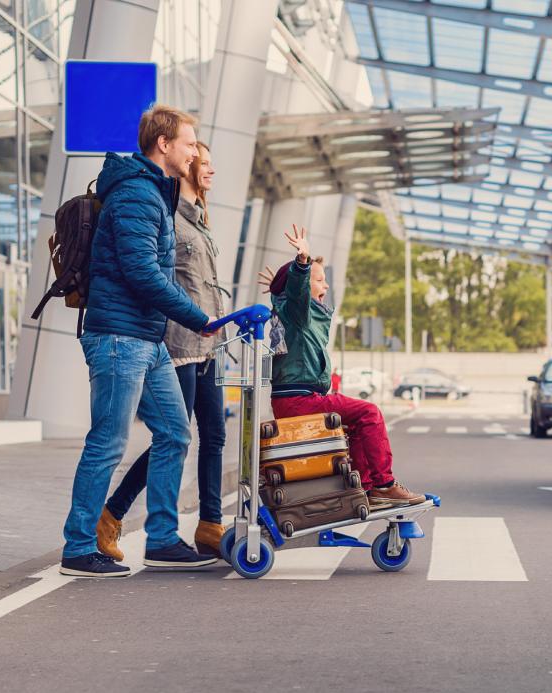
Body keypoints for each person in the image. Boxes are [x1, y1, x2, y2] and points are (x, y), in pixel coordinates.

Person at [59, 105, 219, 577]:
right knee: (107, 442)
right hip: (118, 337)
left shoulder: (153, 192)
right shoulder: (135, 193)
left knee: (174, 431)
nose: (194, 153)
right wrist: (197, 318)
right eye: (189, 144)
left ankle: (164, 539)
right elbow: (142, 272)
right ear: (164, 144)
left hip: (146, 339)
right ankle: (78, 547)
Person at [96, 141, 228, 561]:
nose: (206, 167)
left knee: (214, 434)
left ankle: (210, 523)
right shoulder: (168, 214)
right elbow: (157, 278)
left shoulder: (201, 220)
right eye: (201, 160)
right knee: (173, 436)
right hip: (179, 342)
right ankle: (113, 512)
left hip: (210, 342)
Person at [258, 226, 424, 509]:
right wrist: (302, 261)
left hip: (301, 398)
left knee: (359, 424)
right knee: (369, 413)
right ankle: (383, 485)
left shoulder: (296, 312)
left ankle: (368, 487)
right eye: (320, 280)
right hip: (299, 400)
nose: (325, 287)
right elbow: (297, 290)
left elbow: (294, 291)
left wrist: (289, 279)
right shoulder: (298, 311)